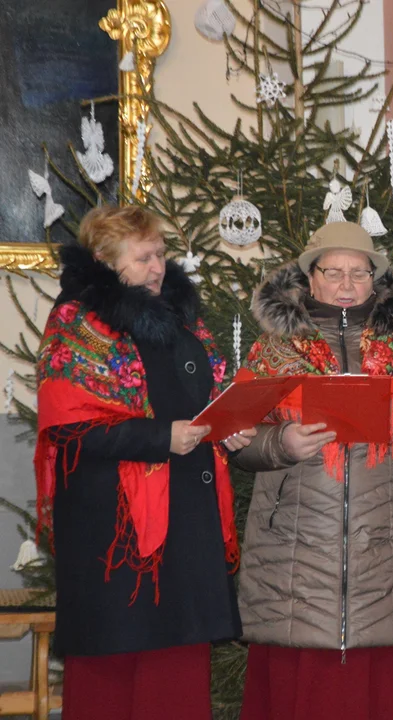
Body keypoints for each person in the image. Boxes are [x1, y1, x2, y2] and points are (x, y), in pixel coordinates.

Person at [234, 222, 393, 720]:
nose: (344, 283)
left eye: (357, 272)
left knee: (379, 691)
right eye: (332, 271)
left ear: (375, 281)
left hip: (388, 547)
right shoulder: (273, 348)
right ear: (309, 277)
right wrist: (281, 443)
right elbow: (237, 441)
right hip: (293, 550)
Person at [35, 206, 241, 720]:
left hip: (187, 518)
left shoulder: (182, 317)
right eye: (144, 257)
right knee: (113, 671)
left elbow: (204, 395)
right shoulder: (76, 321)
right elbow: (68, 424)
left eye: (162, 254)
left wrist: (231, 423)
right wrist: (159, 438)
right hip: (113, 535)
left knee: (178, 669)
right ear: (105, 260)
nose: (158, 268)